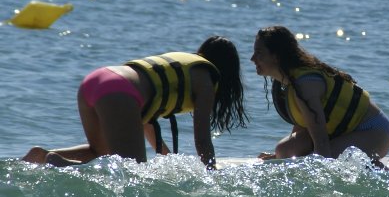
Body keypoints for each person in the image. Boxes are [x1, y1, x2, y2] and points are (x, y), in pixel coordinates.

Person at [23, 36, 248, 170]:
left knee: (100, 150)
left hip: (96, 80)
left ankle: (42, 155)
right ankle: (61, 165)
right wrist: (211, 172)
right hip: (119, 92)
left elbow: (143, 120)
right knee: (130, 172)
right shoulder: (206, 80)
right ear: (228, 71)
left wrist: (167, 159)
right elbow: (202, 139)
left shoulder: (184, 65)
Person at [251, 26, 389, 165]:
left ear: (276, 56)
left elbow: (321, 144)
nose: (252, 59)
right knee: (284, 150)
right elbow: (304, 123)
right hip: (343, 131)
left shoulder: (305, 85)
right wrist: (279, 157)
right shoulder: (289, 80)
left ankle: (377, 171)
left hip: (373, 130)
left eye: (258, 53)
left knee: (326, 160)